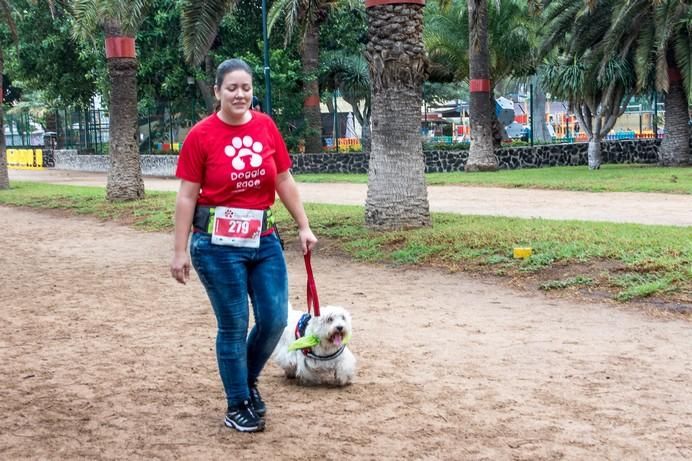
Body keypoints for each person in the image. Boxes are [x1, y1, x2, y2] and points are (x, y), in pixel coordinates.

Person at [170, 58, 317, 433]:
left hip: (263, 240)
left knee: (274, 319)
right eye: (232, 88)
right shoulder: (200, 136)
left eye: (246, 88)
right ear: (217, 91)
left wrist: (304, 225)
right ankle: (237, 403)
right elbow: (187, 197)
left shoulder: (266, 126)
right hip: (216, 246)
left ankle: (246, 381)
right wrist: (179, 249)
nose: (240, 94)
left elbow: (283, 179)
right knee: (234, 325)